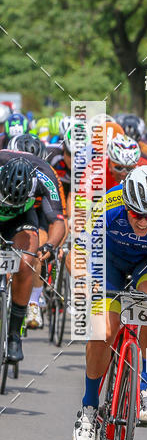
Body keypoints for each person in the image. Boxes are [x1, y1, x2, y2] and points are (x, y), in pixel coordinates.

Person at [72, 166, 147, 440]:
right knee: (104, 331)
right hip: (109, 264)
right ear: (126, 204)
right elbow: (79, 251)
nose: (143, 222)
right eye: (136, 214)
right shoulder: (108, 205)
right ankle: (89, 408)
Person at [0, 154, 66, 360]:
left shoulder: (45, 177)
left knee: (26, 263)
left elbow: (57, 221)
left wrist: (50, 245)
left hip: (22, 219)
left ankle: (13, 336)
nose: (10, 203)